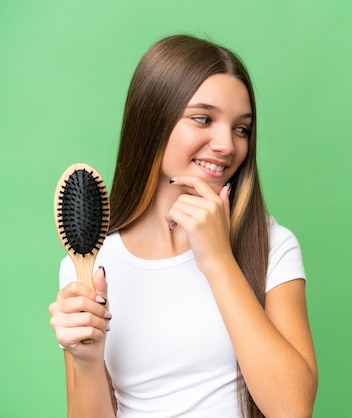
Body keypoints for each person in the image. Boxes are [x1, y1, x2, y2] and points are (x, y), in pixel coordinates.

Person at [48, 34, 318, 418]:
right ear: (153, 119)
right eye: (203, 119)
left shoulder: (272, 244)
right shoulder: (92, 265)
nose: (227, 144)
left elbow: (293, 409)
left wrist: (219, 261)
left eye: (242, 128)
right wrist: (87, 360)